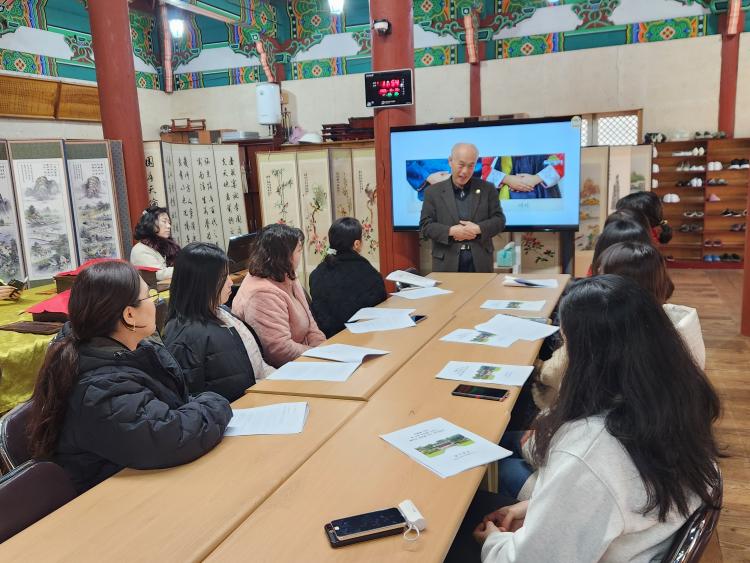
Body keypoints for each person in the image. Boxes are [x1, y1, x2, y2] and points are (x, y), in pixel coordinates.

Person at [473, 275, 721, 562]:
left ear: (587, 356)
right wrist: (536, 508)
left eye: (565, 342)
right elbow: (604, 499)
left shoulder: (590, 451)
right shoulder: (674, 399)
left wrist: (493, 541)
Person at [26, 261, 232, 494]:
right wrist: (216, 402)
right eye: (149, 296)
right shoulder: (100, 389)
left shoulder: (133, 350)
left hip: (142, 479)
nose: (155, 303)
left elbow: (169, 411)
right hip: (110, 498)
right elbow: (169, 436)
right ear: (129, 314)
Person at [163, 243, 274, 402]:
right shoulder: (186, 335)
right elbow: (190, 400)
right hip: (235, 410)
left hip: (257, 395)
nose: (230, 282)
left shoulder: (221, 311)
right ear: (201, 283)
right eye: (223, 277)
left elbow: (257, 365)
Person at [232, 224, 325, 367]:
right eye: (299, 250)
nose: (301, 255)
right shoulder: (261, 294)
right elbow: (279, 351)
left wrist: (324, 348)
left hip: (306, 358)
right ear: (283, 256)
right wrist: (317, 354)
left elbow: (311, 325)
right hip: (282, 369)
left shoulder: (287, 274)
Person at [419, 143, 506, 272]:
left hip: (480, 261)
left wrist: (478, 229)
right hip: (446, 261)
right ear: (450, 161)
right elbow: (425, 226)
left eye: (471, 166)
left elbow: (499, 221)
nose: (465, 171)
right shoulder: (432, 192)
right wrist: (451, 231)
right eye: (461, 165)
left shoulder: (487, 189)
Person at [309, 217, 387, 338]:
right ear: (357, 244)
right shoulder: (368, 273)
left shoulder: (316, 274)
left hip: (329, 340)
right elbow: (381, 307)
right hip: (363, 338)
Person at [130, 205, 181, 281]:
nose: (169, 226)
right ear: (150, 224)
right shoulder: (140, 249)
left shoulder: (169, 246)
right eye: (164, 222)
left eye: (169, 222)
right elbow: (158, 274)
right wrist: (185, 268)